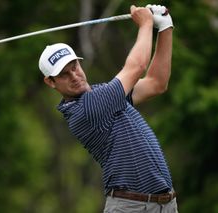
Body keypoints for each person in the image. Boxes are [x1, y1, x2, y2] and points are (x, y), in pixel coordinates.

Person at [39, 4, 177, 213]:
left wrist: (165, 27)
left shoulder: (103, 94)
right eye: (64, 74)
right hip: (131, 207)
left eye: (74, 66)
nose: (74, 76)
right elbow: (137, 66)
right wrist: (146, 23)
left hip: (164, 204)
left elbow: (156, 83)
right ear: (51, 82)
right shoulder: (87, 108)